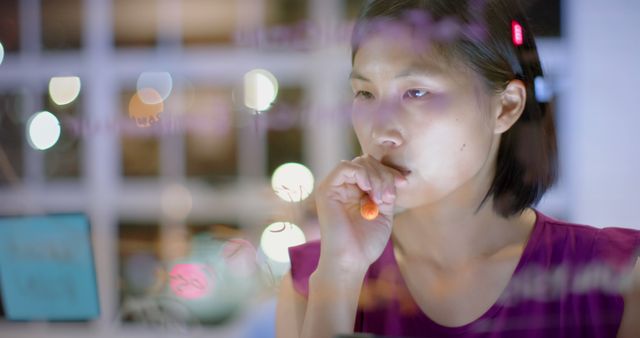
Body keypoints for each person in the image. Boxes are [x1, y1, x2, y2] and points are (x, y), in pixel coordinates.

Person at [275, 0, 640, 337]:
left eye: (416, 92)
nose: (381, 131)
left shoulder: (620, 276)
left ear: (506, 107)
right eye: (365, 94)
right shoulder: (313, 283)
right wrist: (340, 272)